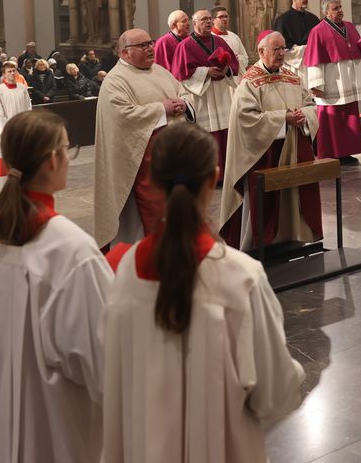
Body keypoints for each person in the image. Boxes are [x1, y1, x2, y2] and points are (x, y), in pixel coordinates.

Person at [102, 122, 306, 462]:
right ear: (213, 179)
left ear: (152, 181)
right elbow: (275, 395)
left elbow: (109, 373)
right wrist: (292, 373)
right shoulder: (241, 277)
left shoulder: (125, 273)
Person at [0, 110, 112, 463]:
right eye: (68, 150)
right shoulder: (71, 250)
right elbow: (106, 361)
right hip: (54, 433)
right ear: (54, 159)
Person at [219, 31, 321, 251]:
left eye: (283, 48)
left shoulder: (292, 76)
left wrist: (305, 115)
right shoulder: (249, 83)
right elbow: (244, 118)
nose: (281, 53)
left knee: (295, 191)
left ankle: (293, 234)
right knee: (267, 199)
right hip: (265, 153)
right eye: (276, 49)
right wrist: (282, 118)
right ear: (261, 51)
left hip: (294, 148)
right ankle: (263, 242)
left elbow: (310, 104)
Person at [93, 28, 193, 246]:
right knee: (156, 212)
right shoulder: (115, 80)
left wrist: (183, 103)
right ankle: (155, 255)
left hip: (175, 154)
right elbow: (122, 116)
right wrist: (162, 109)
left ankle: (181, 248)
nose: (150, 48)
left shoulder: (159, 70)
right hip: (145, 159)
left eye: (151, 43)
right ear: (125, 53)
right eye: (143, 45)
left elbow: (182, 90)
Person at [303, 0, 361, 165]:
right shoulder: (318, 31)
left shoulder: (350, 27)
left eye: (340, 7)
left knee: (349, 118)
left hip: (349, 83)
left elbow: (357, 51)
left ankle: (346, 152)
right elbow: (315, 60)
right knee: (333, 120)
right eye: (335, 8)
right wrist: (316, 85)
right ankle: (333, 153)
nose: (340, 11)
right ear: (326, 12)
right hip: (332, 84)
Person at [168, 9, 239, 163]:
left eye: (209, 19)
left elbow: (234, 64)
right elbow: (180, 74)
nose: (208, 22)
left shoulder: (220, 41)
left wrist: (226, 70)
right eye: (203, 19)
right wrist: (206, 72)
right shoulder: (185, 46)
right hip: (202, 95)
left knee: (226, 130)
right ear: (194, 24)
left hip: (221, 93)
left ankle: (226, 168)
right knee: (206, 132)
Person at [0, 61, 33, 141]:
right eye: (9, 71)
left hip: (23, 126)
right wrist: (8, 126)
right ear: (4, 74)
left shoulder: (23, 88)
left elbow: (28, 107)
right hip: (8, 127)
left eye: (14, 71)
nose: (12, 73)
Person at [211, 4, 249, 75]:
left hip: (237, 76)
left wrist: (237, 59)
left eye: (226, 16)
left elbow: (245, 57)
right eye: (221, 17)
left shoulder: (234, 36)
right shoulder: (211, 38)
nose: (225, 19)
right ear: (213, 20)